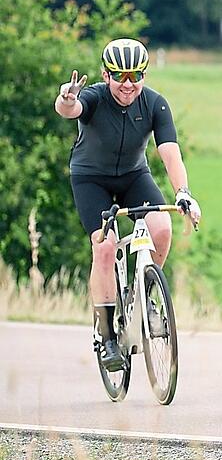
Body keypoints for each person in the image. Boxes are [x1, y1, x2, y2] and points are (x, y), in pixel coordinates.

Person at [55, 38, 202, 371]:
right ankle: (107, 335)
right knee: (104, 247)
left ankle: (145, 295)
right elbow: (71, 110)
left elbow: (170, 152)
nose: (128, 84)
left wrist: (184, 192)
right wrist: (66, 99)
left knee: (162, 228)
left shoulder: (154, 104)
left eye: (136, 76)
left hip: (134, 177)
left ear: (144, 76)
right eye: (120, 76)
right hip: (91, 179)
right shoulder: (93, 96)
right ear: (106, 75)